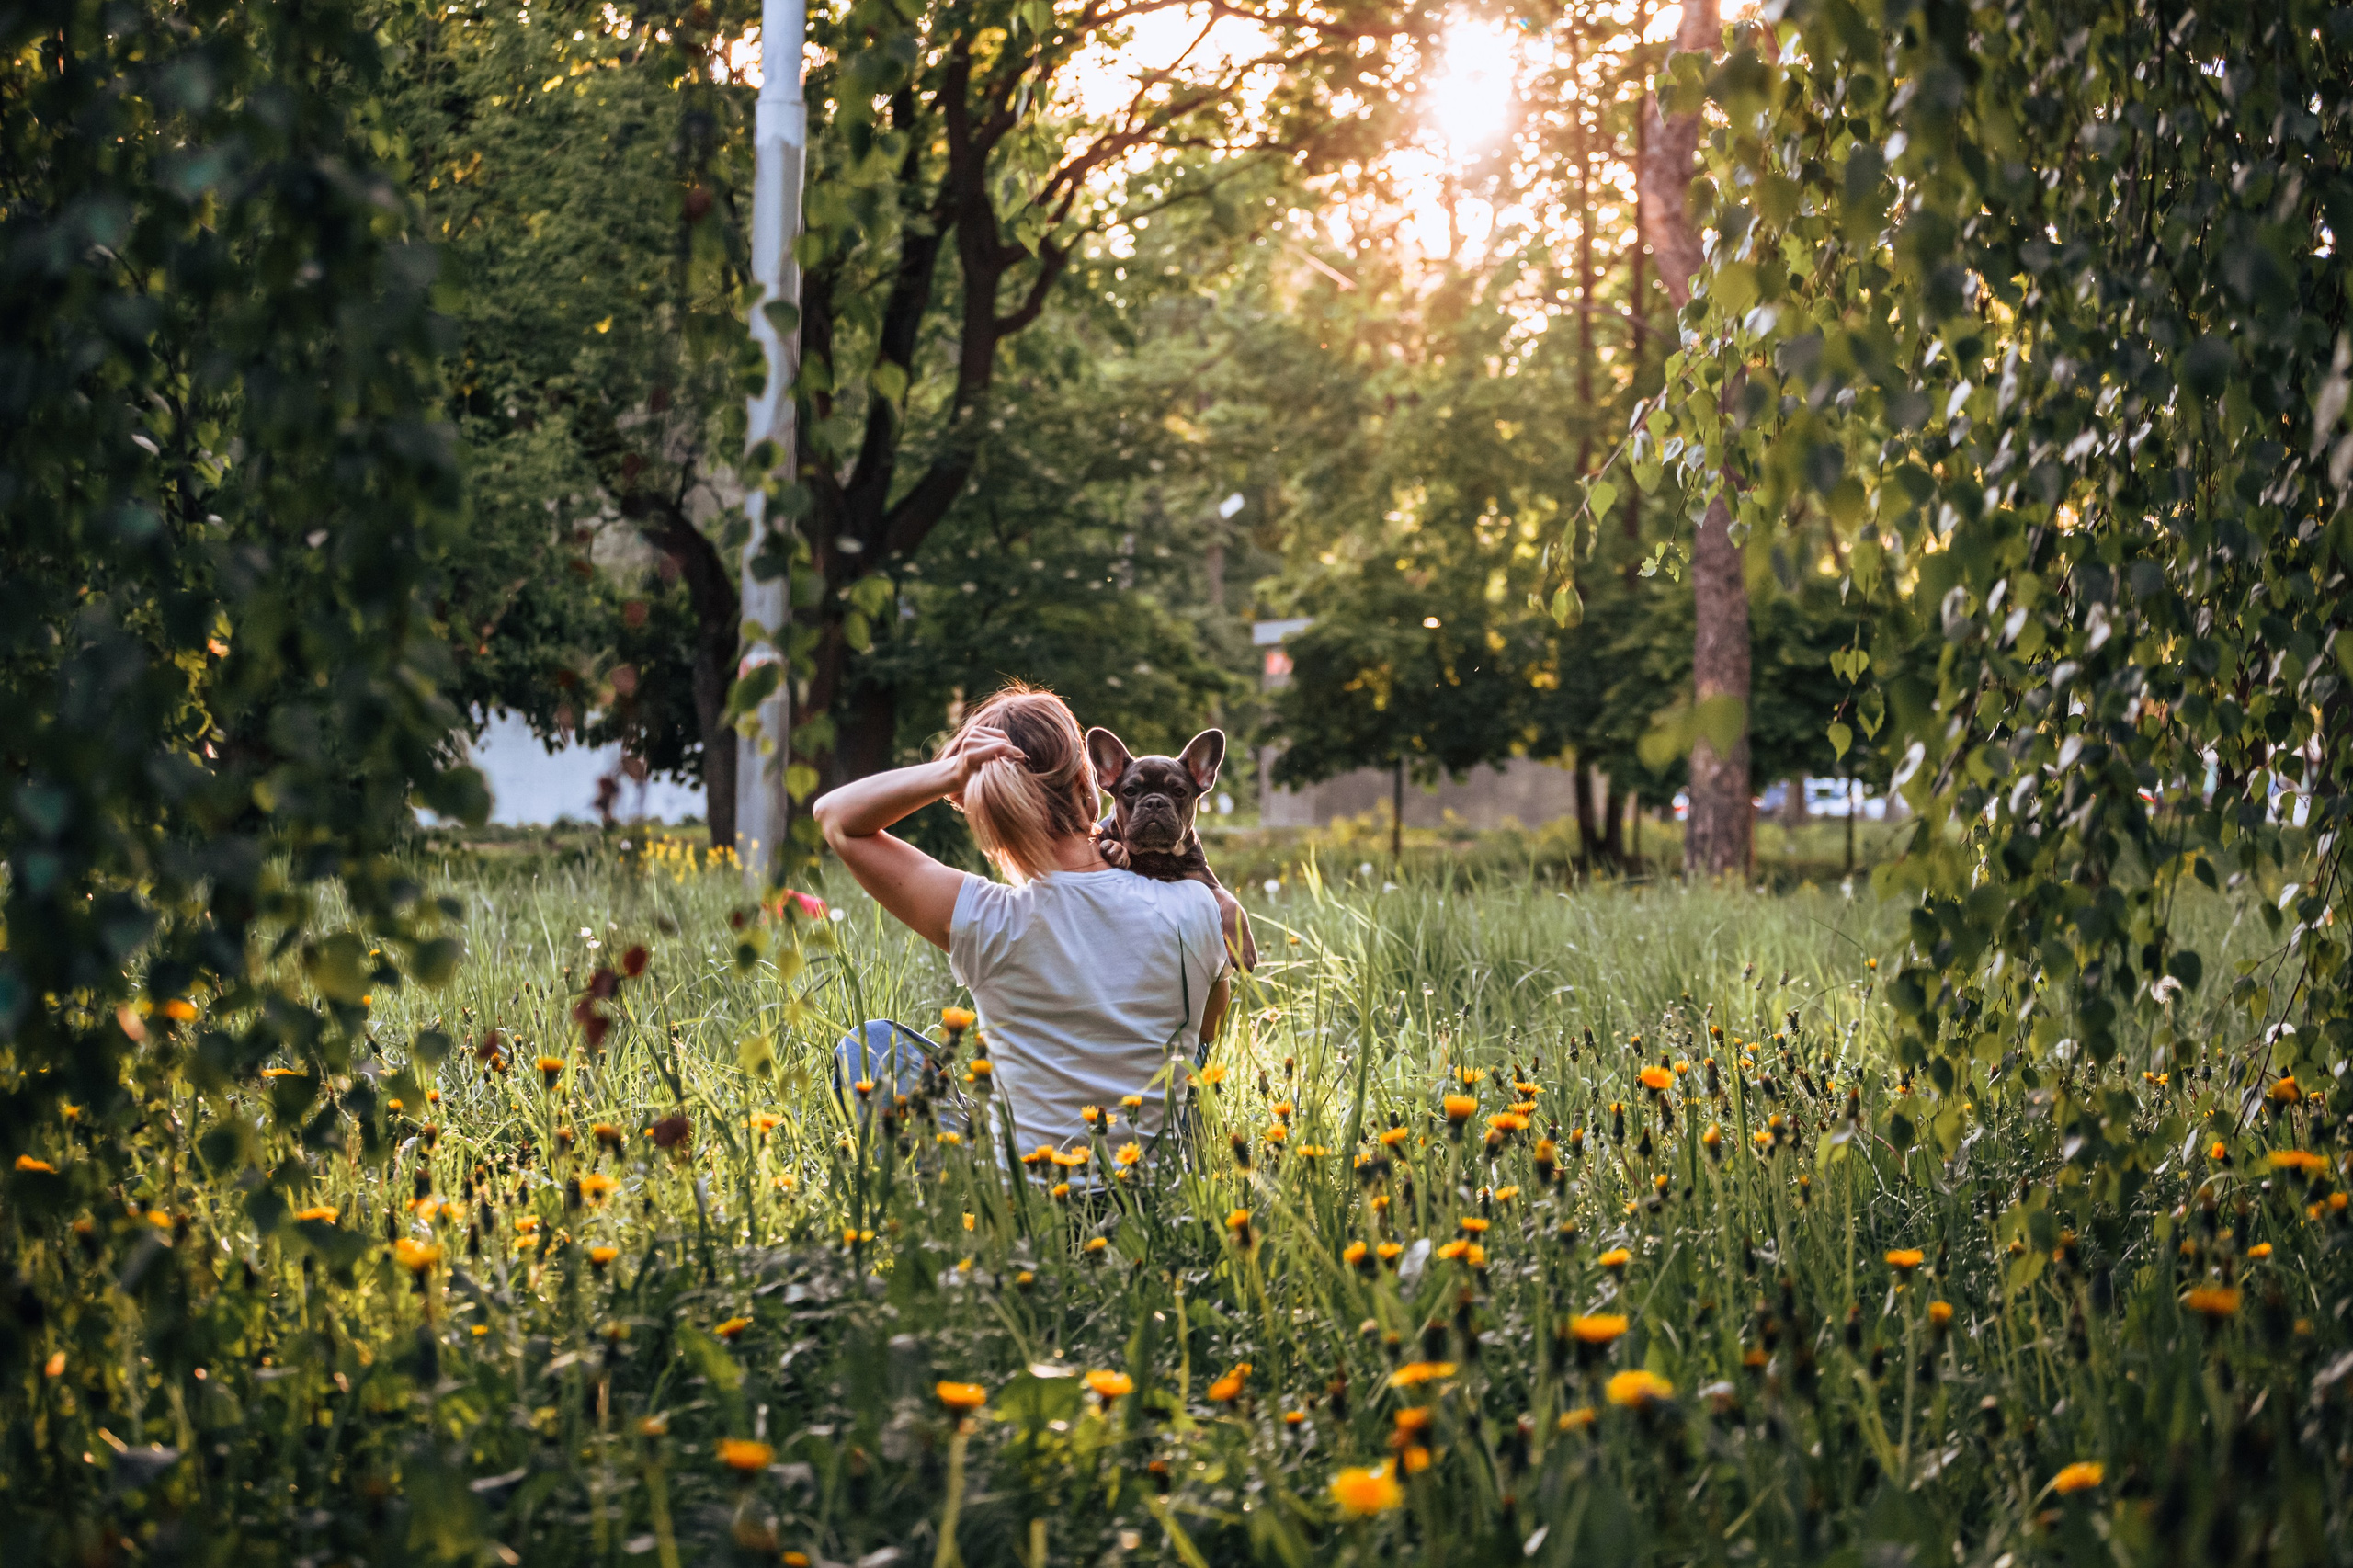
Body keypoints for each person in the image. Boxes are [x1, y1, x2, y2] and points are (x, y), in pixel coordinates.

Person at [810, 683, 1244, 1155]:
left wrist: (947, 773)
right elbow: (1206, 1033)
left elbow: (835, 817)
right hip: (1151, 1193)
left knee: (872, 1044)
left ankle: (941, 1186)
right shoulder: (1200, 908)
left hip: (1022, 1197)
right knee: (1191, 1055)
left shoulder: (985, 916)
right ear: (1090, 785)